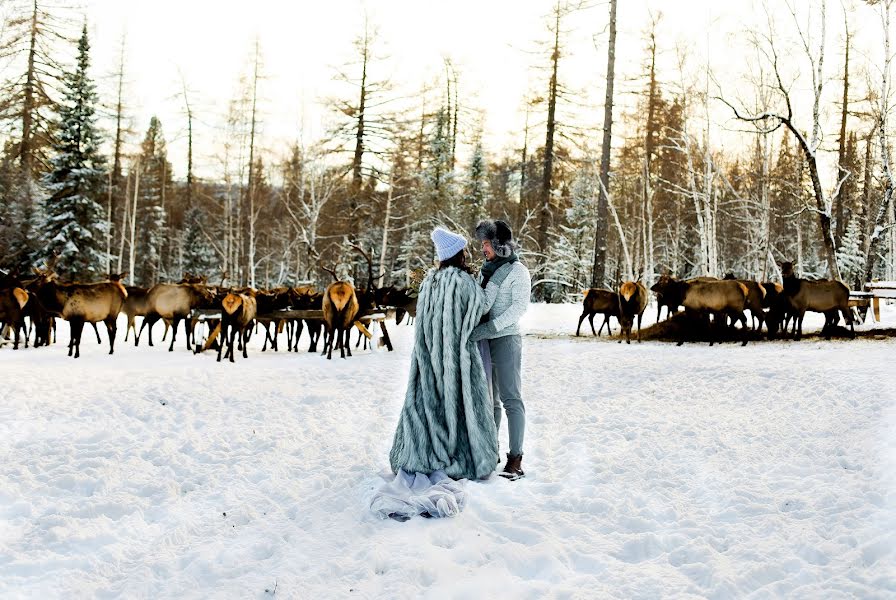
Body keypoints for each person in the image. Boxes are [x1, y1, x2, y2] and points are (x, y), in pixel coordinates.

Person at [385, 227, 512, 495]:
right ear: (458, 254)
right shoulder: (464, 283)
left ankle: (421, 451)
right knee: (461, 405)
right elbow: (479, 308)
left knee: (428, 405)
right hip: (457, 359)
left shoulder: (428, 283)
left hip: (429, 358)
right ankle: (466, 456)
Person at [469, 219, 531, 481]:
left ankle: (515, 458)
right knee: (489, 401)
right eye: (482, 243)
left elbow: (518, 309)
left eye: (486, 243)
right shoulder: (485, 270)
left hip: (506, 340)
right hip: (484, 341)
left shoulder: (518, 271)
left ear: (498, 244)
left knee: (511, 399)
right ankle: (489, 450)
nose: (482, 248)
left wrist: (490, 328)